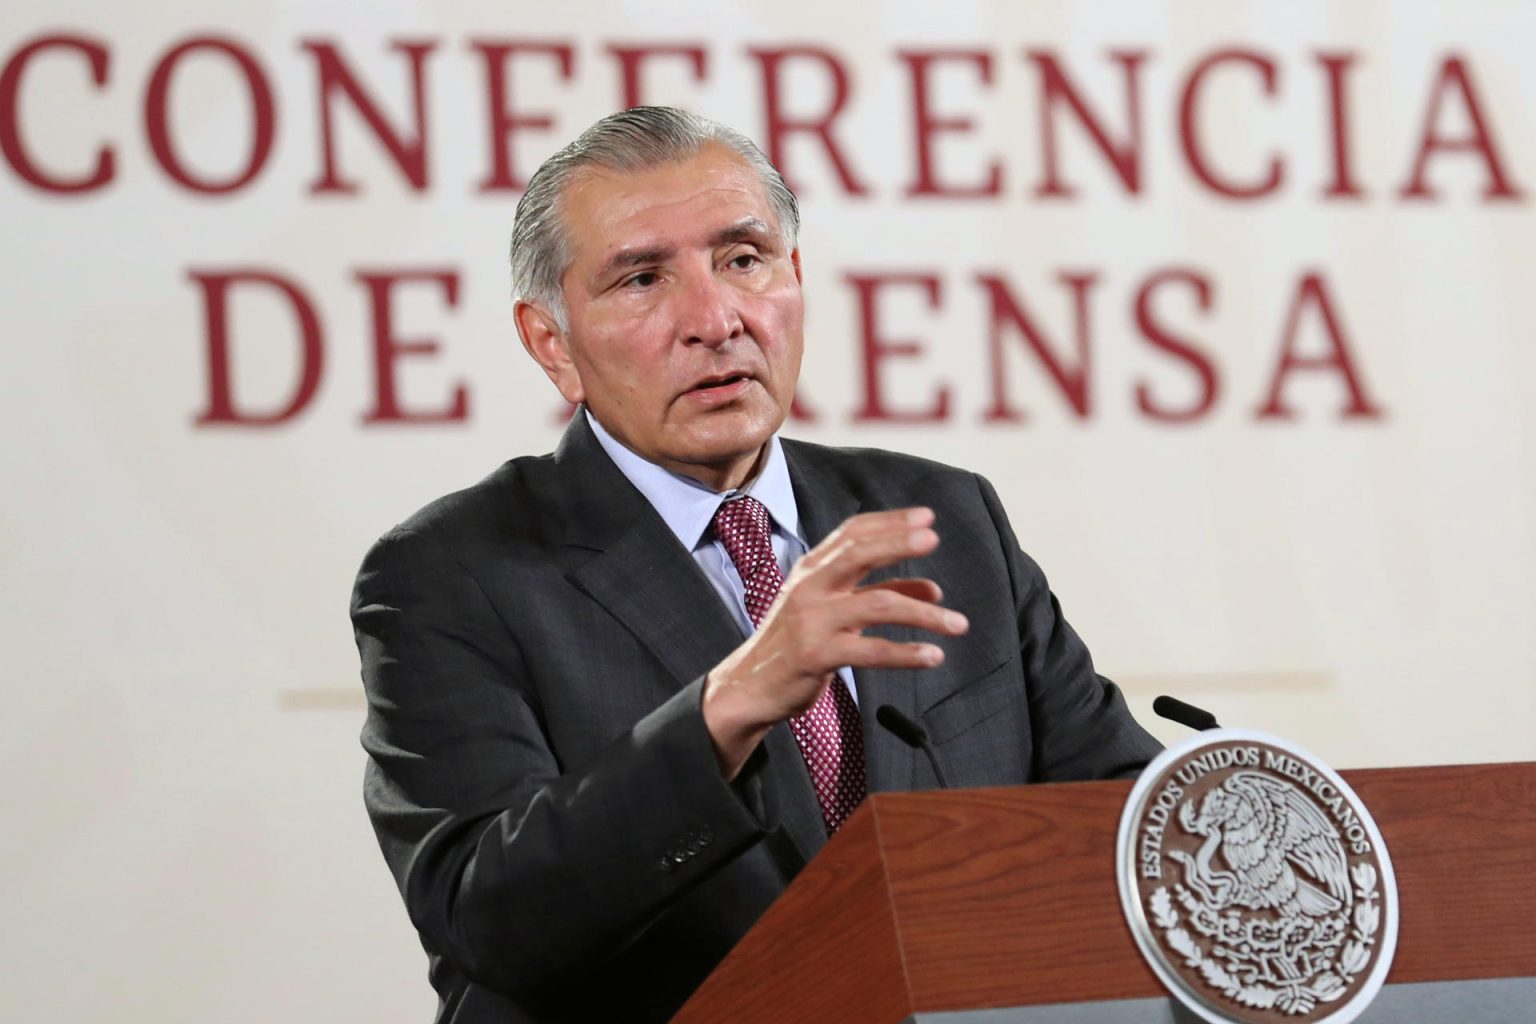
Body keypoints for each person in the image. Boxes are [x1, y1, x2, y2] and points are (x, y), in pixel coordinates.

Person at [352, 106, 1161, 1024]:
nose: (715, 319)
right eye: (643, 279)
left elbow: (1118, 821)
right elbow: (490, 920)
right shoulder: (452, 575)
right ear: (553, 344)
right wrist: (727, 707)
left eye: (744, 260)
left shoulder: (944, 517)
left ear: (797, 278)